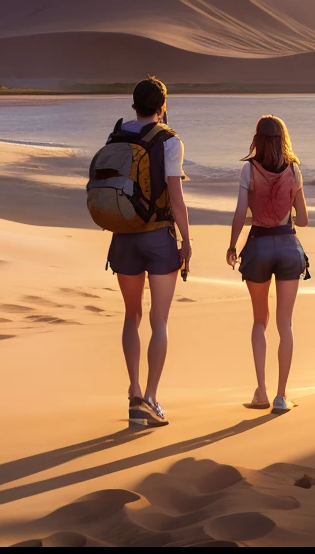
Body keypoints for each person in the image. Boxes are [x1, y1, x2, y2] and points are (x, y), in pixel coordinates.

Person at [108, 76, 190, 429]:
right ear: (163, 106)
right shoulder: (169, 141)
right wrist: (187, 240)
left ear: (133, 106)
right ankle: (151, 399)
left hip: (123, 236)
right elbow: (175, 197)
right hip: (158, 237)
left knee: (131, 317)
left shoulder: (116, 135)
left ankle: (133, 391)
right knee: (159, 320)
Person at [226, 114, 309, 412]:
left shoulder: (249, 170)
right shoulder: (295, 170)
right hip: (288, 246)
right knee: (284, 324)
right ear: (283, 138)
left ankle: (260, 392)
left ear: (257, 139)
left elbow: (239, 213)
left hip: (258, 245)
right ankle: (281, 396)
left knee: (260, 320)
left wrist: (233, 246)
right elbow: (304, 219)